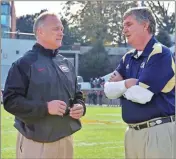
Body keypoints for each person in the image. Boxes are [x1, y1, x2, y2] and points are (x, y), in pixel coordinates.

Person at [3, 12, 86, 159]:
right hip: (35, 142)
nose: (61, 32)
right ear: (40, 32)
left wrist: (80, 106)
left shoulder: (66, 63)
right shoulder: (24, 64)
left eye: (62, 29)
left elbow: (77, 95)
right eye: (56, 29)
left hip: (66, 139)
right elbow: (10, 102)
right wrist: (46, 107)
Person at [104, 7, 175, 159]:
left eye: (129, 24)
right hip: (132, 133)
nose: (124, 29)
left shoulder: (160, 53)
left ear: (145, 25)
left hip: (157, 131)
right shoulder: (128, 57)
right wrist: (128, 83)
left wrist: (121, 86)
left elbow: (142, 96)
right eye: (124, 26)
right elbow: (108, 91)